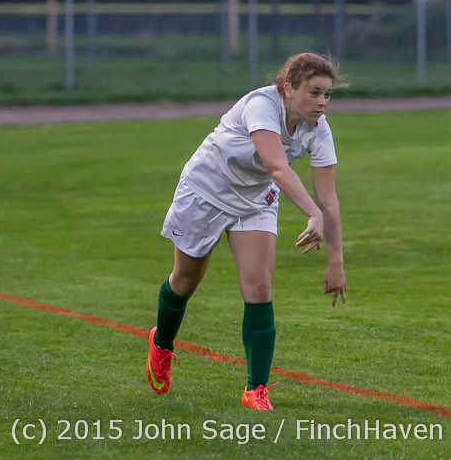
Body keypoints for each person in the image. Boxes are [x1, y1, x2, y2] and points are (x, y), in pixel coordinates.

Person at [146, 52, 347, 411]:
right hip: (205, 192)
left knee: (259, 286)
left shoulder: (319, 129)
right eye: (315, 92)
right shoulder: (261, 106)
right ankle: (161, 343)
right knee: (185, 282)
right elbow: (276, 166)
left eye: (328, 95)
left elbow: (328, 200)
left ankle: (255, 389)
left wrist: (336, 261)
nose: (322, 102)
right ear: (288, 87)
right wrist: (310, 211)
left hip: (254, 200)